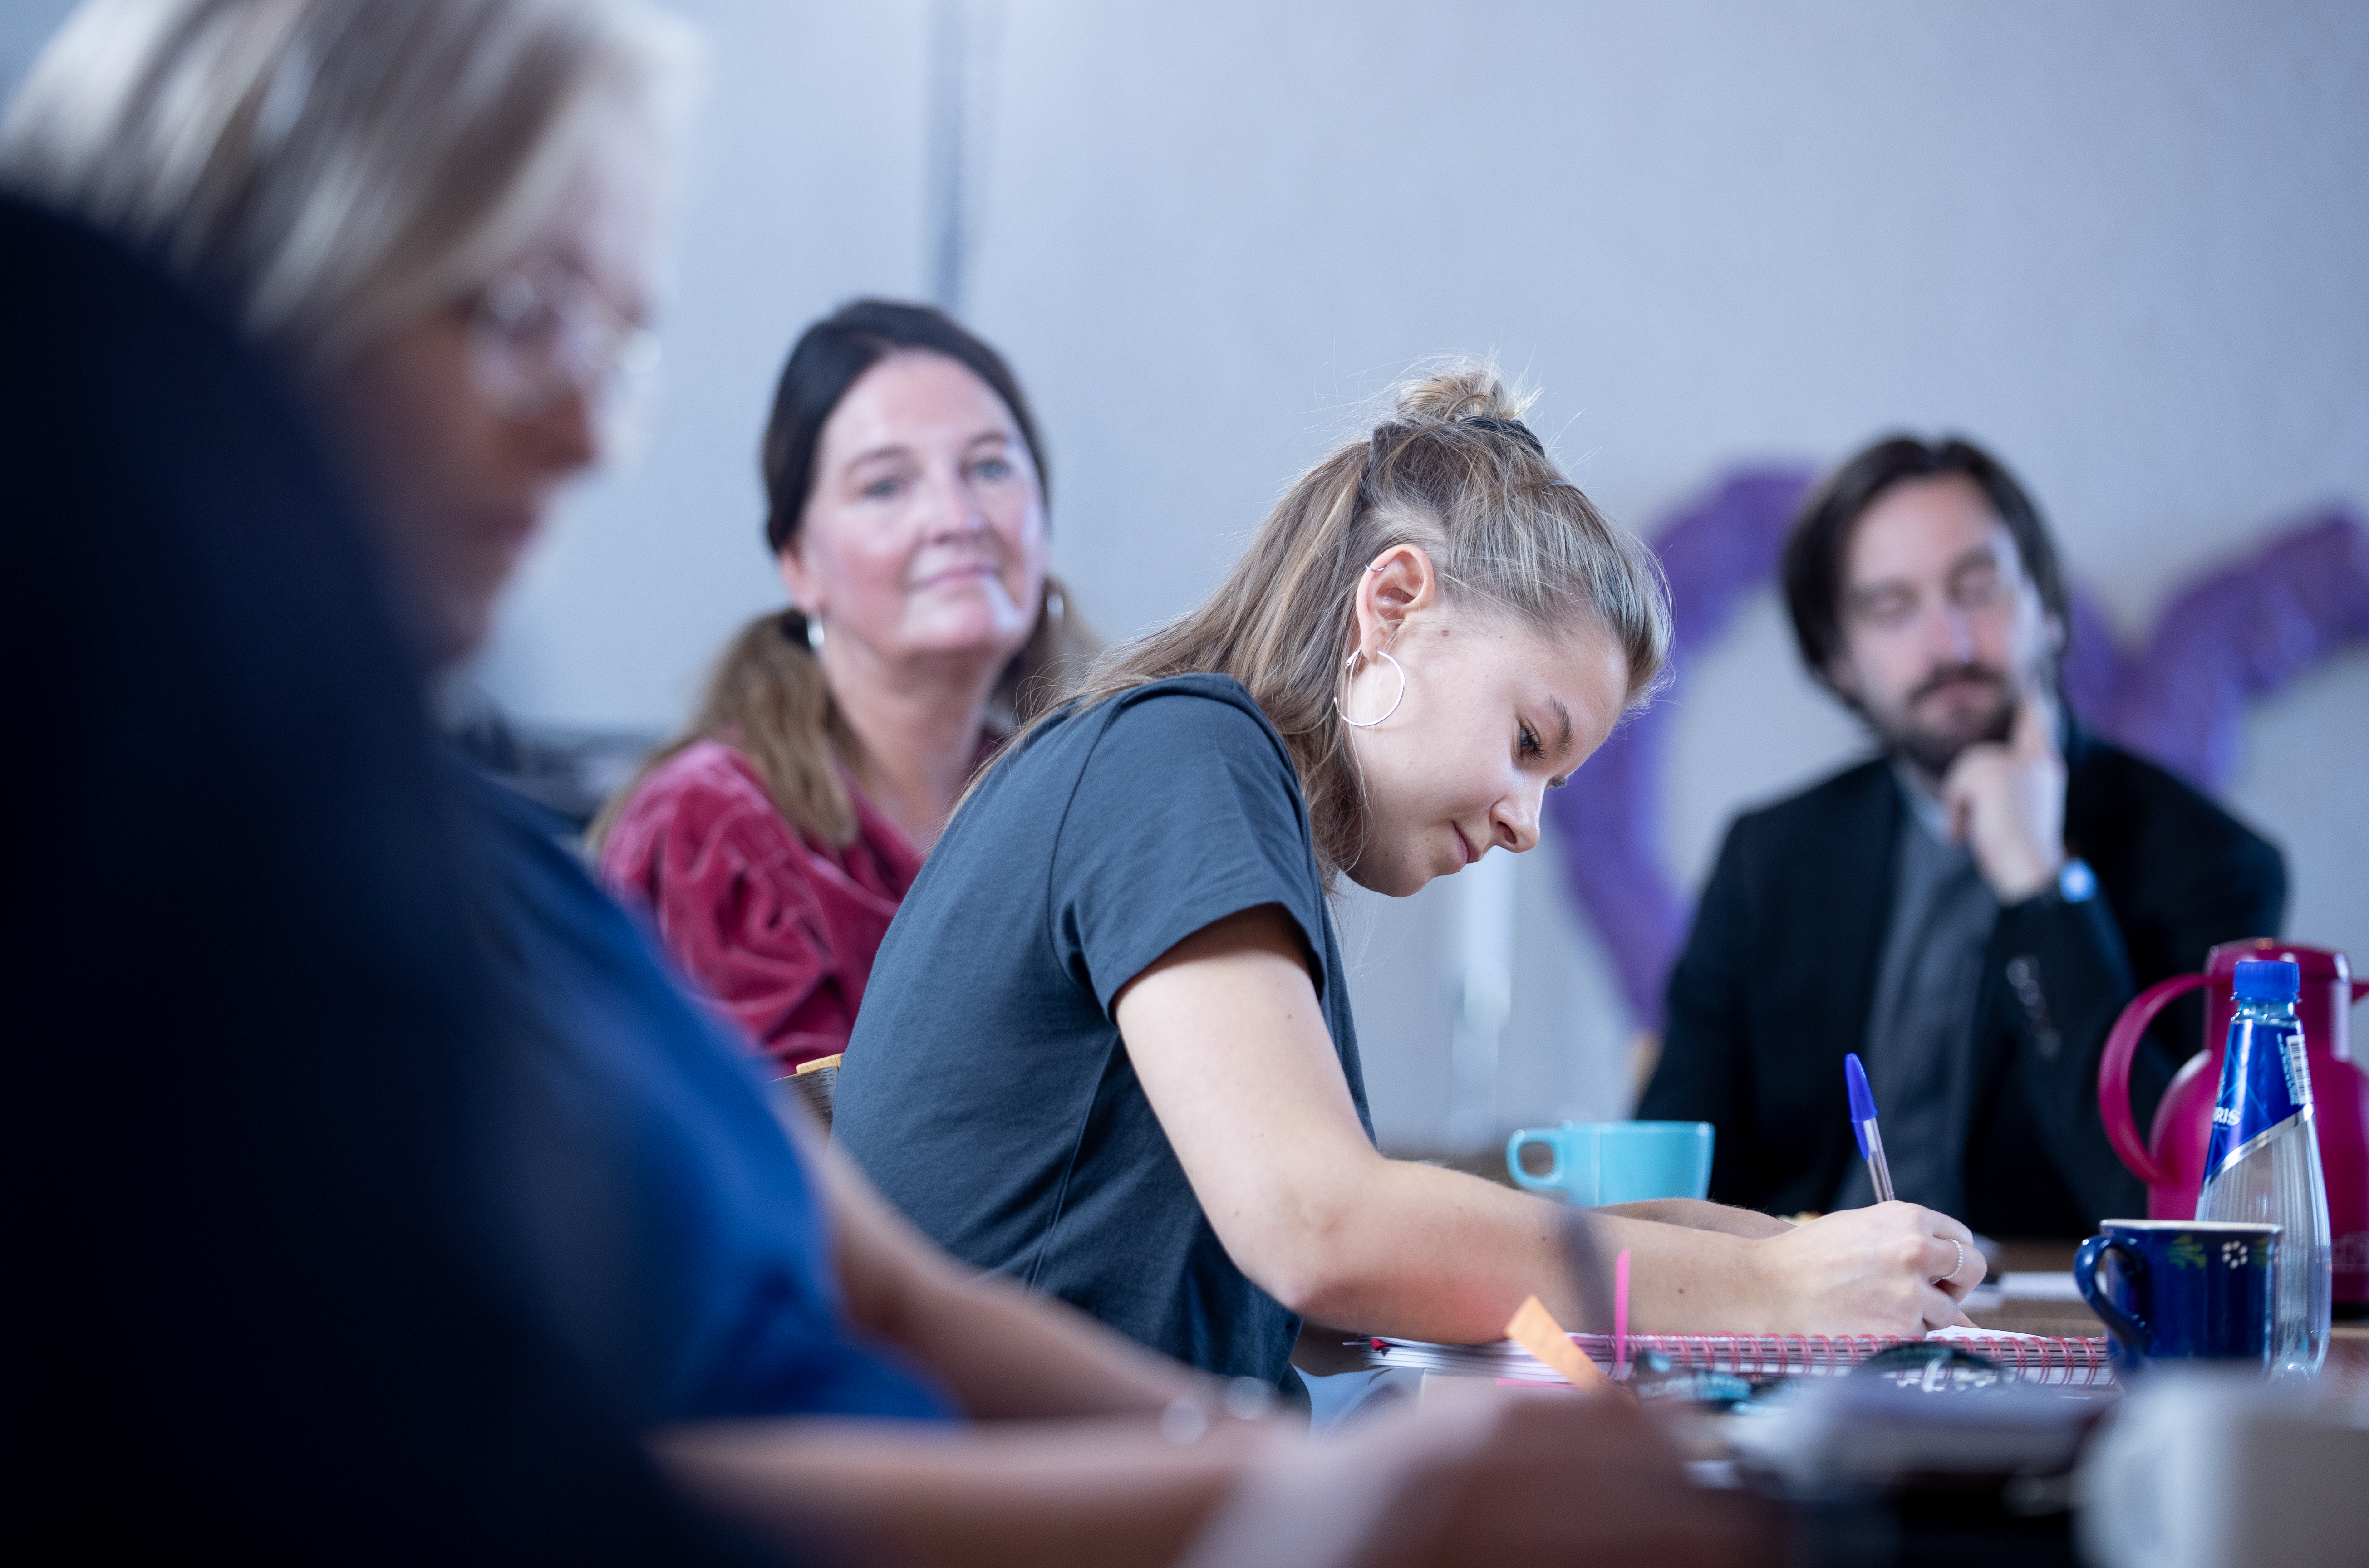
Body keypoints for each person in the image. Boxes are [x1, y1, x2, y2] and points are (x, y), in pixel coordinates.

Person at [0, 0, 1763, 1563]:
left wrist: (1278, 1473)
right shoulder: (1148, 763)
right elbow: (488, 1479)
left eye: (622, 340)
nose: (595, 431)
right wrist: (1282, 1495)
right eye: (521, 314)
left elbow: (893, 1300)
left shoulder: (509, 869)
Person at [835, 374, 1988, 1393]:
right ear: (1392, 605)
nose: (1526, 825)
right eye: (1531, 741)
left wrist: (1750, 1253)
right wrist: (1773, 1292)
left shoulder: (1185, 771)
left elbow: (1327, 1278)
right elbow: (1323, 1233)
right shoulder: (1183, 757)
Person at [1639, 436, 2286, 1238]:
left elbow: (2187, 1209)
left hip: (2060, 1337)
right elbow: (1674, 1187)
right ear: (1838, 663)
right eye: (1892, 609)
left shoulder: (2210, 863)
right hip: (1802, 1330)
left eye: (1977, 590)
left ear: (2048, 614)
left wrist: (2042, 889)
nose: (1948, 645)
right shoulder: (1769, 860)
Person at [594, 301, 1091, 1071]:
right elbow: (783, 1170)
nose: (957, 518)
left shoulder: (1070, 800)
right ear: (800, 564)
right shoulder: (710, 825)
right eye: (887, 486)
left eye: (991, 467)